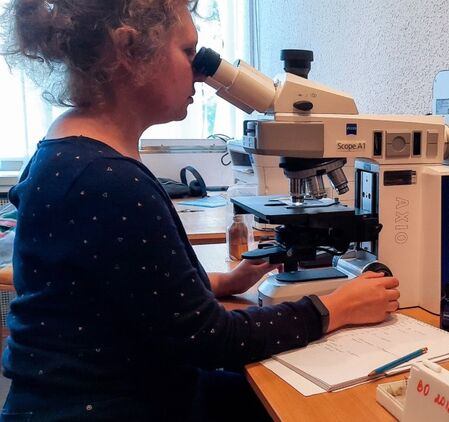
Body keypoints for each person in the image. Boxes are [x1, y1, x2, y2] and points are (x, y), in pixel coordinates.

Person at [0, 1, 400, 420]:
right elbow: (212, 340)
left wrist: (222, 282)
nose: (202, 72)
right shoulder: (108, 180)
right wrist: (337, 308)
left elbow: (118, 283)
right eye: (189, 52)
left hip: (100, 389)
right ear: (129, 51)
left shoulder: (68, 149)